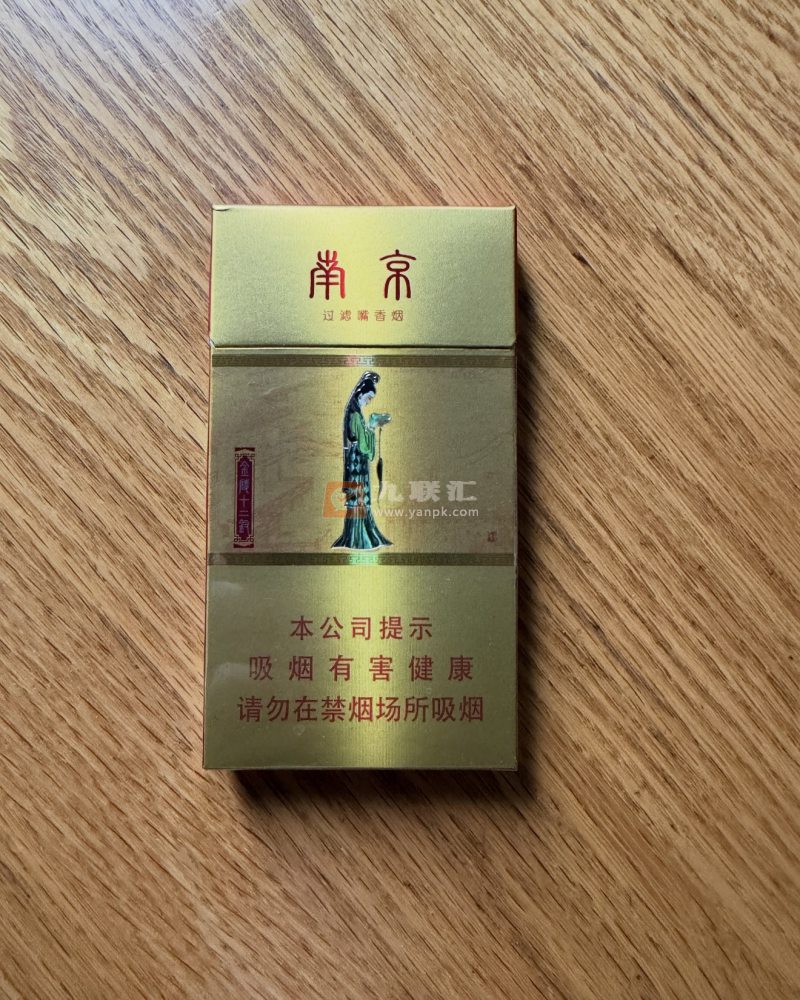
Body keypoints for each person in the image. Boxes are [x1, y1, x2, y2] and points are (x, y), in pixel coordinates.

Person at [331, 371, 392, 549]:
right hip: (357, 459)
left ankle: (360, 535)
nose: (369, 401)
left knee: (359, 497)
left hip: (355, 460)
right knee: (359, 496)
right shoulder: (355, 415)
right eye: (369, 398)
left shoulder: (354, 413)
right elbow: (365, 446)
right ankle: (358, 537)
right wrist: (372, 426)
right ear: (360, 394)